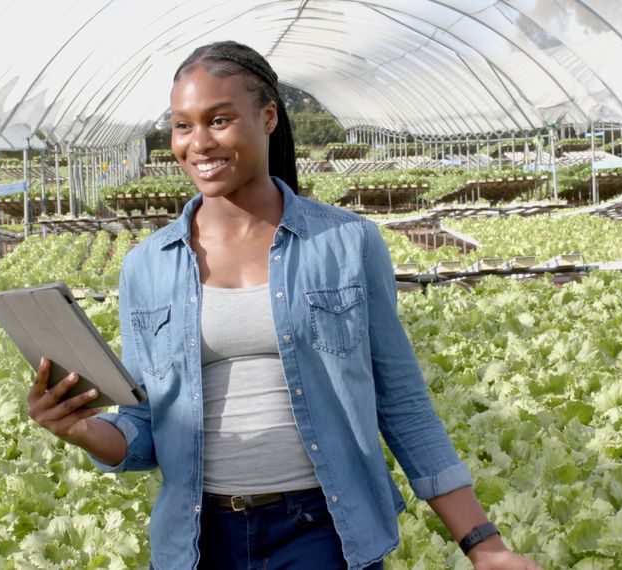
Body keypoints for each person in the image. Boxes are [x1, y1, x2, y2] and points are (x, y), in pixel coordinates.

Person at [27, 40, 541, 570]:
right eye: (183, 125)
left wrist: (485, 544)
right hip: (201, 541)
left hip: (322, 532)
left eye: (219, 120)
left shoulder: (346, 243)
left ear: (268, 116)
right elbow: (143, 427)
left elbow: (403, 403)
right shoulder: (146, 266)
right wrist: (80, 428)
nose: (199, 143)